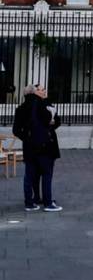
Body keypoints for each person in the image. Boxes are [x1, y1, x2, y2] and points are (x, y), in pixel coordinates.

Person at [13, 83, 62, 212]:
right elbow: (51, 121)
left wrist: (27, 138)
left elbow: (16, 130)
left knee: (30, 175)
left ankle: (30, 201)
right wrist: (50, 124)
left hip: (30, 146)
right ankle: (47, 202)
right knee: (46, 173)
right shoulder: (41, 105)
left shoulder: (21, 108)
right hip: (45, 144)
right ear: (35, 93)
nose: (44, 92)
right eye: (41, 90)